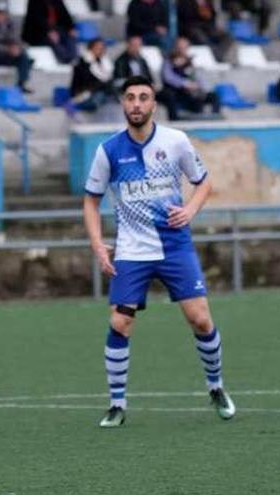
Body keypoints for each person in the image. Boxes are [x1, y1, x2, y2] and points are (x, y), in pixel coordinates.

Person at [82, 75, 235, 428]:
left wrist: (191, 210)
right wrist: (97, 245)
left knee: (200, 319)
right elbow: (90, 202)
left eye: (144, 98)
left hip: (174, 247)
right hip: (132, 251)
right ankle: (117, 405)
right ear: (123, 103)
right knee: (120, 322)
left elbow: (204, 182)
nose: (136, 104)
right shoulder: (108, 151)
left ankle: (216, 387)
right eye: (131, 97)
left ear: (154, 104)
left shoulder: (176, 141)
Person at [161, 37, 220, 120]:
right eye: (180, 47)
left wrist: (200, 86)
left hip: (190, 91)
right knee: (171, 96)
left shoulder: (189, 61)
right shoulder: (169, 60)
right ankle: (175, 119)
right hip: (176, 90)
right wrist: (185, 83)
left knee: (211, 95)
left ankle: (213, 117)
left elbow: (196, 76)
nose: (182, 50)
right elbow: (168, 77)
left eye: (185, 47)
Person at [0, 3, 33, 93]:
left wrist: (17, 48)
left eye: (1, 14)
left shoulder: (10, 24)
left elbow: (17, 39)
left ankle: (21, 84)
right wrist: (7, 49)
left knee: (24, 55)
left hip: (8, 54)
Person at [70, 38, 114, 113]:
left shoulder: (104, 62)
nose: (100, 50)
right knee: (100, 96)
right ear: (91, 48)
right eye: (98, 48)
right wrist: (102, 84)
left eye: (102, 48)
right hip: (83, 94)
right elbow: (85, 83)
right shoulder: (82, 63)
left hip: (98, 92)